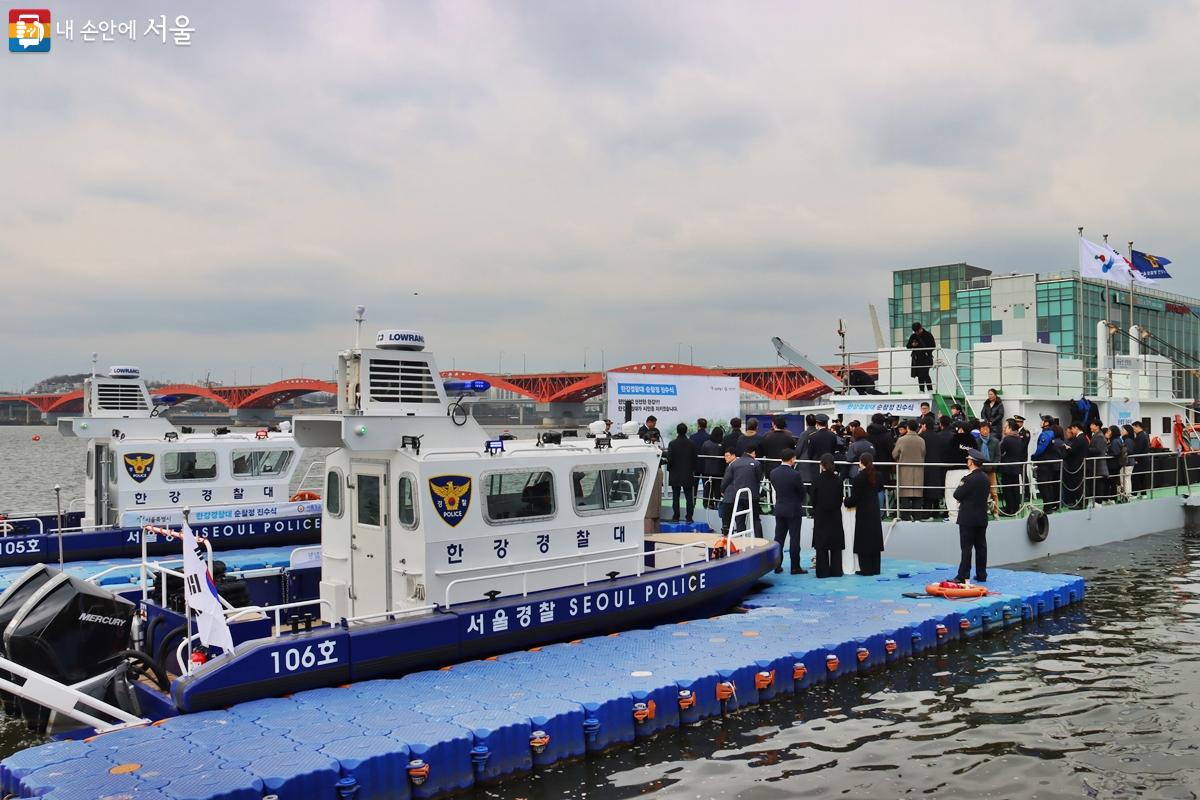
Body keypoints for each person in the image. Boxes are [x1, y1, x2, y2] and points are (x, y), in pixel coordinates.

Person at [952, 449, 991, 583]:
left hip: (968, 518)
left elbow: (957, 495)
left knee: (966, 548)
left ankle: (963, 575)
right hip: (981, 517)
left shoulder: (968, 479)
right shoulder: (986, 478)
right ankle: (981, 574)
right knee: (981, 547)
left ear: (971, 462)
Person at [769, 448, 807, 574]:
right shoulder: (795, 474)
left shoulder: (773, 473)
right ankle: (795, 566)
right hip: (794, 510)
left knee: (778, 538)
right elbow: (802, 492)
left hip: (780, 508)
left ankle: (777, 565)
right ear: (792, 459)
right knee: (794, 538)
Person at [844, 453, 883, 575]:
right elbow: (880, 489)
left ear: (862, 463)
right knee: (874, 539)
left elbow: (855, 497)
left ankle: (866, 569)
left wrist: (846, 501)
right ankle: (876, 568)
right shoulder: (878, 475)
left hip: (864, 512)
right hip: (875, 510)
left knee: (864, 540)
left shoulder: (859, 478)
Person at [809, 453, 845, 578]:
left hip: (821, 514)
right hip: (835, 514)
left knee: (821, 544)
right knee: (836, 545)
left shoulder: (817, 479)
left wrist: (817, 508)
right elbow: (840, 498)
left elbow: (813, 498)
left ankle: (822, 571)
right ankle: (836, 570)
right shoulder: (838, 480)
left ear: (821, 465)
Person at [720, 442, 762, 536]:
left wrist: (722, 490)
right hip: (752, 495)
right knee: (755, 519)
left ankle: (741, 540)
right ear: (753, 453)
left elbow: (726, 480)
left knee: (739, 519)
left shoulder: (734, 464)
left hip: (738, 495)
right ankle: (760, 540)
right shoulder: (756, 463)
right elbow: (759, 478)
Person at [892, 420, 926, 521]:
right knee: (917, 495)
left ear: (907, 428)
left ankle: (906, 518)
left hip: (904, 470)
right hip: (918, 471)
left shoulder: (901, 440)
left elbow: (894, 454)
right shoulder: (921, 440)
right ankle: (917, 517)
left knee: (905, 494)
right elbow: (923, 453)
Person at [666, 423, 699, 523]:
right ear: (686, 430)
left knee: (675, 496)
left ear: (677, 431)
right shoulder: (692, 444)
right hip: (688, 473)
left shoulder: (672, 443)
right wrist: (692, 469)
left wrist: (669, 469)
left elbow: (670, 459)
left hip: (675, 473)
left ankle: (676, 517)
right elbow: (695, 460)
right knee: (689, 497)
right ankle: (689, 517)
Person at [921, 417, 949, 519]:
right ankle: (936, 511)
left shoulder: (921, 437)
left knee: (926, 490)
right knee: (936, 489)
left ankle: (926, 514)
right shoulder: (939, 437)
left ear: (924, 425)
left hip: (924, 467)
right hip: (938, 467)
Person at [1032, 414, 1061, 512]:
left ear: (1046, 423)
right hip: (1049, 464)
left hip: (1044, 464)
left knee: (1043, 485)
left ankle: (1048, 507)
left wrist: (1034, 456)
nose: (1041, 422)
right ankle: (1050, 505)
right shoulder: (1051, 433)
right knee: (1048, 485)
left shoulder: (1045, 434)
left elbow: (1041, 449)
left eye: (1042, 420)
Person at [999, 420, 1025, 516]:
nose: (1004, 428)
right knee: (1015, 488)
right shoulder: (1018, 439)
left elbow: (1000, 451)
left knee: (1008, 489)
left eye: (1006, 426)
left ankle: (1009, 509)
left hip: (1007, 468)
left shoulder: (1007, 439)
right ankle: (1016, 507)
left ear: (1010, 428)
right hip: (1016, 468)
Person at [1062, 422, 1088, 508]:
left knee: (1078, 485)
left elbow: (1074, 451)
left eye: (1072, 429)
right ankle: (1081, 502)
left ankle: (1081, 504)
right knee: (1080, 484)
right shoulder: (1083, 438)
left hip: (1077, 464)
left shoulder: (1079, 438)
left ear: (1076, 428)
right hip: (1079, 464)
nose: (1071, 431)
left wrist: (1067, 448)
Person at [700, 426, 725, 510]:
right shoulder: (722, 444)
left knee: (707, 488)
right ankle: (718, 504)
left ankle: (707, 503)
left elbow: (702, 457)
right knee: (718, 489)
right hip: (719, 471)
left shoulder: (706, 443)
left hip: (706, 471)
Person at [906, 322, 936, 392]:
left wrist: (927, 352)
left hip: (927, 358)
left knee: (925, 373)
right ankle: (921, 390)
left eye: (918, 331)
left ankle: (930, 390)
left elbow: (933, 346)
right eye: (915, 331)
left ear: (921, 328)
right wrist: (913, 345)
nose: (917, 333)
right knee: (920, 374)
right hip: (917, 358)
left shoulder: (928, 335)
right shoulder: (913, 336)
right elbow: (908, 346)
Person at [1087, 419, 1110, 502]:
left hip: (1099, 464)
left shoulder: (1099, 436)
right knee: (1096, 484)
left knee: (1099, 484)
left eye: (1092, 424)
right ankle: (1097, 501)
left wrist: (1087, 449)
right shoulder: (1096, 435)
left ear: (1097, 426)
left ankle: (1098, 502)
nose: (1090, 426)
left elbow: (1098, 449)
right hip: (1096, 464)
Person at [1105, 425, 1126, 502]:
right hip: (1115, 464)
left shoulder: (1115, 441)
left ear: (1113, 432)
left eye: (1109, 430)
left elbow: (1115, 453)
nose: (1108, 432)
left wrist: (1107, 454)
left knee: (1112, 482)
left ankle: (1113, 498)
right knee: (1113, 482)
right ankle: (1113, 498)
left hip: (1113, 465)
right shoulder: (1117, 440)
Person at [1131, 420, 1151, 495]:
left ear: (1138, 427)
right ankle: (1143, 494)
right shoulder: (1144, 434)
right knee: (1142, 478)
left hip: (1140, 461)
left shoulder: (1140, 436)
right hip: (1143, 460)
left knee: (1135, 477)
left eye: (1134, 428)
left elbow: (1137, 449)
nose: (1134, 430)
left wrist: (1135, 459)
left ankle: (1134, 494)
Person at [1120, 424, 1136, 500]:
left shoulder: (1128, 440)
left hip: (1127, 462)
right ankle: (1127, 495)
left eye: (1123, 429)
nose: (1121, 431)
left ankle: (1127, 496)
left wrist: (1121, 452)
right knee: (1127, 479)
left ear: (1128, 431)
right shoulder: (1128, 439)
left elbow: (1129, 451)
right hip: (1129, 462)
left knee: (1126, 479)